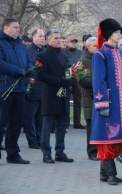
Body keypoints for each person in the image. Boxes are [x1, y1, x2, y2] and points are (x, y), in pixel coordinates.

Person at [90, 18, 122, 185]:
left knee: (116, 138)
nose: (119, 35)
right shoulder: (100, 54)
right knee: (107, 136)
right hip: (107, 103)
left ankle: (103, 173)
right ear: (108, 34)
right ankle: (111, 173)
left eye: (120, 32)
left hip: (120, 104)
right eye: (116, 32)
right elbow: (98, 80)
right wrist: (102, 102)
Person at [36, 29, 76, 164]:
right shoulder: (43, 56)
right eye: (56, 38)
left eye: (60, 38)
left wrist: (72, 80)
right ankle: (46, 153)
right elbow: (41, 75)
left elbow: (69, 72)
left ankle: (60, 152)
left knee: (61, 126)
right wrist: (59, 81)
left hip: (63, 95)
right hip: (50, 95)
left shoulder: (64, 56)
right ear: (48, 41)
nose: (59, 40)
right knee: (47, 126)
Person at [0, 18, 33, 164]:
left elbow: (27, 59)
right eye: (15, 27)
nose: (18, 30)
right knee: (1, 122)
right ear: (6, 28)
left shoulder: (20, 44)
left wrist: (30, 69)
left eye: (19, 27)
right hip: (4, 88)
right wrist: (17, 71)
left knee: (16, 122)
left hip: (19, 88)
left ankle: (13, 154)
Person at [78, 36, 99, 161]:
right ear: (88, 46)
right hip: (90, 97)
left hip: (100, 97)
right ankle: (92, 152)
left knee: (98, 126)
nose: (98, 48)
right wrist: (98, 83)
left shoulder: (99, 58)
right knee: (91, 125)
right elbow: (81, 80)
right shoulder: (83, 60)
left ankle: (100, 150)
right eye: (95, 46)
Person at [24, 29, 45, 149]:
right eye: (40, 36)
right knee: (30, 116)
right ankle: (31, 140)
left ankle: (39, 138)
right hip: (32, 89)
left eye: (44, 36)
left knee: (41, 117)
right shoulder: (27, 51)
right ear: (33, 37)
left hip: (43, 89)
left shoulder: (45, 52)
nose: (43, 38)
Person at [63, 35, 84, 129]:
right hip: (67, 79)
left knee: (78, 101)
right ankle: (66, 121)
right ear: (67, 43)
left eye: (75, 42)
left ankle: (77, 122)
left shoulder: (80, 53)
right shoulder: (63, 53)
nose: (74, 43)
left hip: (77, 80)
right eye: (72, 42)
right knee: (66, 101)